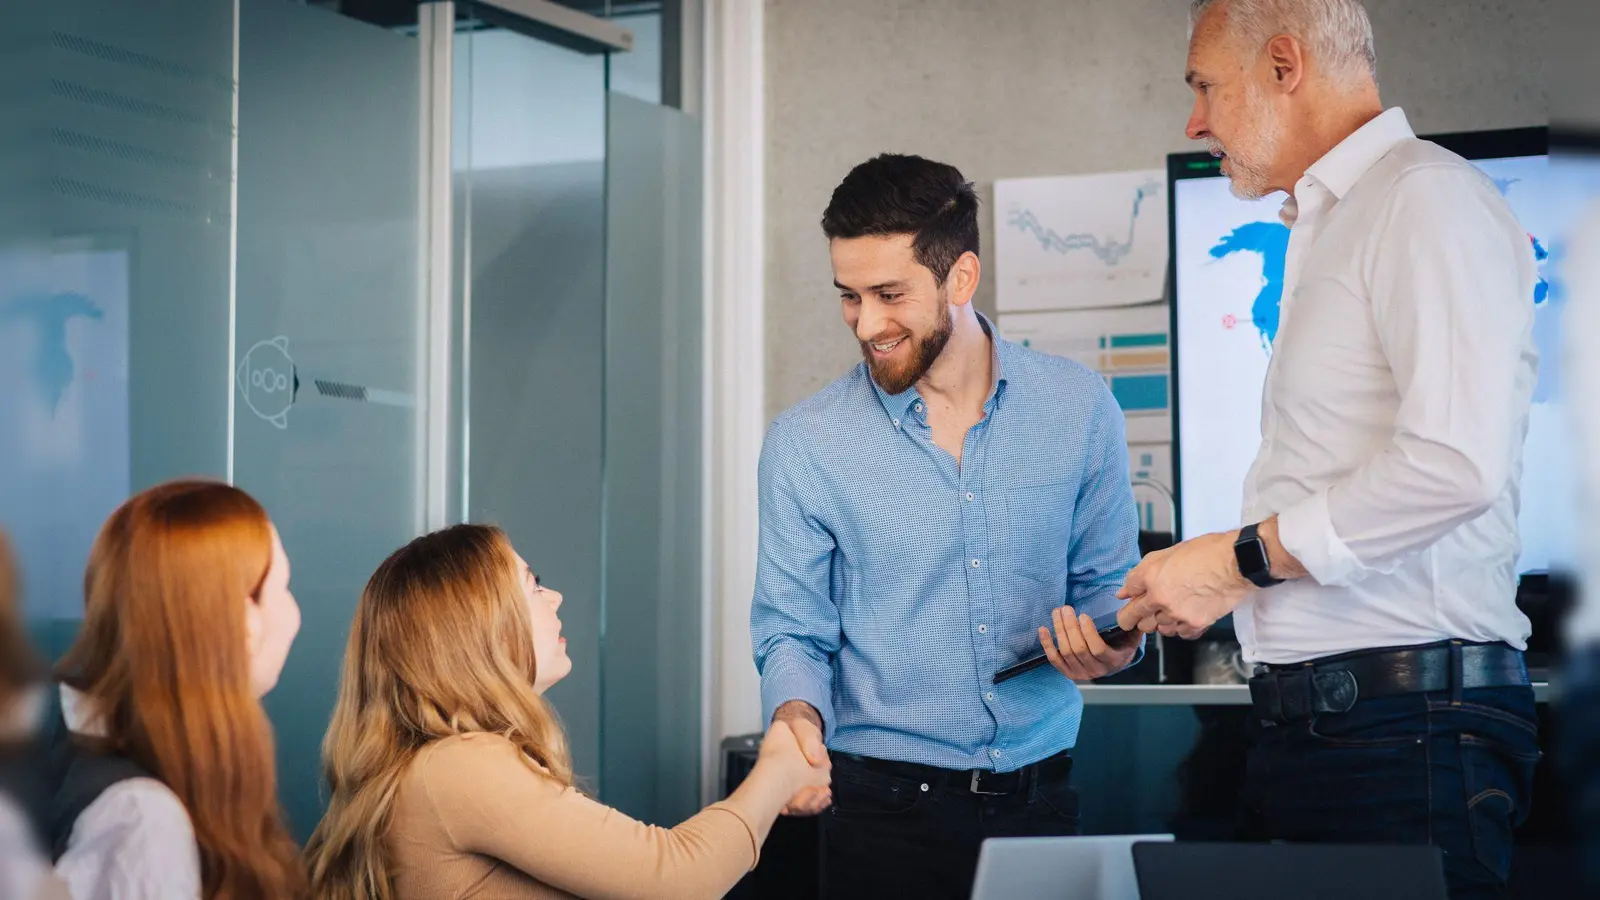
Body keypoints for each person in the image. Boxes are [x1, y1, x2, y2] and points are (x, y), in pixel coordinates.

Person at [1116, 1, 1542, 896]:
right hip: (1328, 734)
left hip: (1402, 738)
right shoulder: (1327, 224)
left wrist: (1235, 565)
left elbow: (1456, 463)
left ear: (1283, 64)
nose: (1194, 121)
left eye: (1203, 87)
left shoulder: (1422, 197)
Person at [750, 153, 1144, 900]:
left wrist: (1115, 644)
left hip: (1041, 803)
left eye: (889, 294)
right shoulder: (804, 444)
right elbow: (791, 632)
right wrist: (794, 718)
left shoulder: (1079, 410)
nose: (867, 324)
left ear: (961, 278)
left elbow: (1108, 593)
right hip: (878, 818)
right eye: (849, 296)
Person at [303, 523, 829, 900]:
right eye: (531, 584)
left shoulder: (431, 768)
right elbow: (679, 877)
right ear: (478, 629)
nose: (554, 597)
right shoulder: (462, 767)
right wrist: (778, 764)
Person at [49, 479, 306, 899]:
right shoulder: (143, 822)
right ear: (244, 622)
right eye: (283, 588)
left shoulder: (83, 745)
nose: (294, 614)